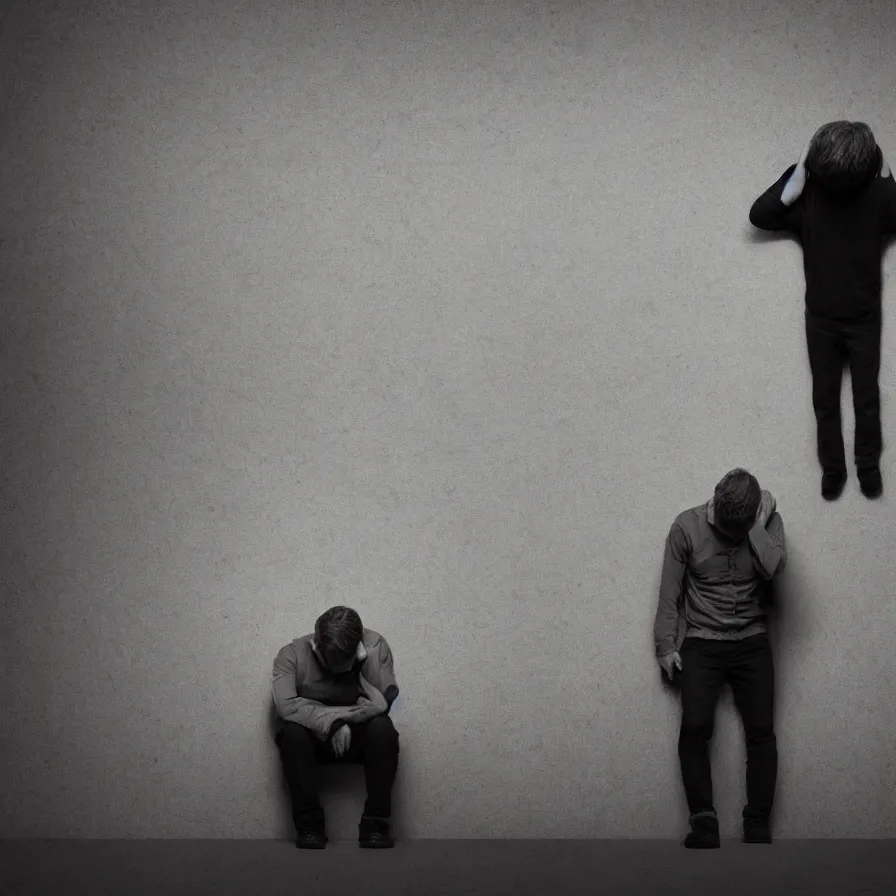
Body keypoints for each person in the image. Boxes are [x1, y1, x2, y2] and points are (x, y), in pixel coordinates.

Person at [749, 121, 896, 500]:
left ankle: (865, 466)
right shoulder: (876, 193)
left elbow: (762, 213)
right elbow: (758, 217)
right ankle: (837, 469)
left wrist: (795, 174)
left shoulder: (807, 196)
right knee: (832, 399)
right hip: (833, 320)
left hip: (851, 319)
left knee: (854, 399)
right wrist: (886, 170)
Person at [653, 468, 787, 848]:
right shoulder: (686, 527)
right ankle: (704, 822)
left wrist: (758, 527)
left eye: (736, 530)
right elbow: (670, 593)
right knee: (694, 729)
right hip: (702, 640)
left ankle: (757, 822)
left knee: (762, 732)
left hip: (752, 640)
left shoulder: (767, 522)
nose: (727, 535)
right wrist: (665, 645)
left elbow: (775, 567)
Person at [272, 605, 400, 849]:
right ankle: (309, 826)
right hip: (312, 740)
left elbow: (381, 704)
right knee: (291, 733)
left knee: (383, 729)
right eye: (330, 662)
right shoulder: (290, 655)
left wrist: (360, 668)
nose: (336, 669)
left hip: (358, 737)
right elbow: (287, 708)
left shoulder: (375, 646)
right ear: (315, 645)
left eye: (346, 660)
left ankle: (376, 824)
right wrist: (336, 722)